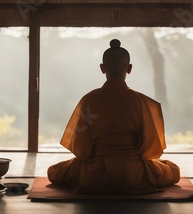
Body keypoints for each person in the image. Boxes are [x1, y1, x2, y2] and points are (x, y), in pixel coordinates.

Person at [47, 39, 180, 194]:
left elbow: (82, 148)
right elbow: (149, 149)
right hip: (133, 174)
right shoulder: (141, 101)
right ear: (129, 68)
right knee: (173, 170)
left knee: (53, 171)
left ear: (102, 68)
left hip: (94, 175)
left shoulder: (89, 99)